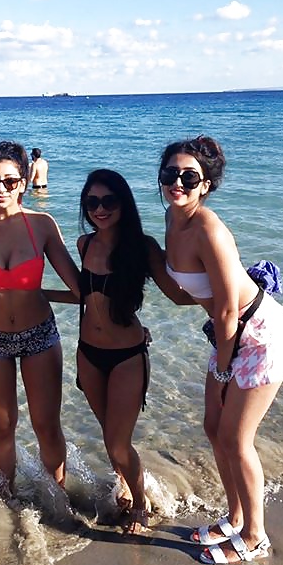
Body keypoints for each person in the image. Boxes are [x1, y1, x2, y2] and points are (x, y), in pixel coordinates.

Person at [158, 135, 283, 563]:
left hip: (259, 333)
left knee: (237, 439)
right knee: (213, 427)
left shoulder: (209, 229)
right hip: (231, 332)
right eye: (170, 173)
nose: (177, 183)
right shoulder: (172, 218)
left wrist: (223, 371)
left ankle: (256, 537)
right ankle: (236, 517)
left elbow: (224, 311)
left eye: (189, 177)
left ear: (205, 185)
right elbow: (189, 294)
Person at [49, 169, 193, 533]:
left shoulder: (143, 247)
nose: (100, 209)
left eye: (108, 201)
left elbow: (177, 295)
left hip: (127, 356)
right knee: (109, 433)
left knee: (117, 442)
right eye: (92, 202)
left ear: (123, 203)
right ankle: (125, 482)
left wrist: (232, 294)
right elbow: (85, 295)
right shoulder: (84, 244)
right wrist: (37, 294)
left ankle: (140, 506)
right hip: (89, 354)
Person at [0, 141, 80, 495]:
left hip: (38, 334)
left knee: (46, 425)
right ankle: (6, 501)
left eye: (10, 181)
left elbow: (79, 289)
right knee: (2, 426)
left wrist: (38, 293)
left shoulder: (41, 225)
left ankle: (57, 500)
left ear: (24, 183)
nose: (1, 188)